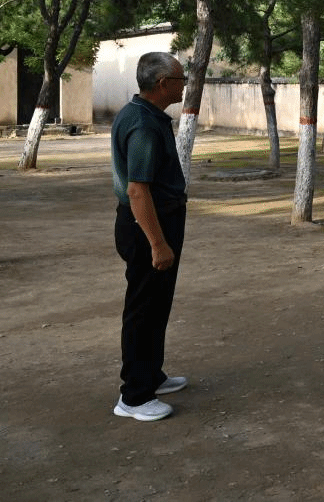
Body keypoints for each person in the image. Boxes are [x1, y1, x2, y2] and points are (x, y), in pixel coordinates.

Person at [110, 52, 190, 422]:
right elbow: (138, 191)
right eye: (180, 79)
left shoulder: (143, 114)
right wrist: (158, 243)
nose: (184, 85)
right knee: (144, 310)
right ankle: (135, 396)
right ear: (163, 84)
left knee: (157, 305)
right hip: (148, 226)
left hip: (154, 221)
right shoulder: (143, 125)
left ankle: (150, 375)